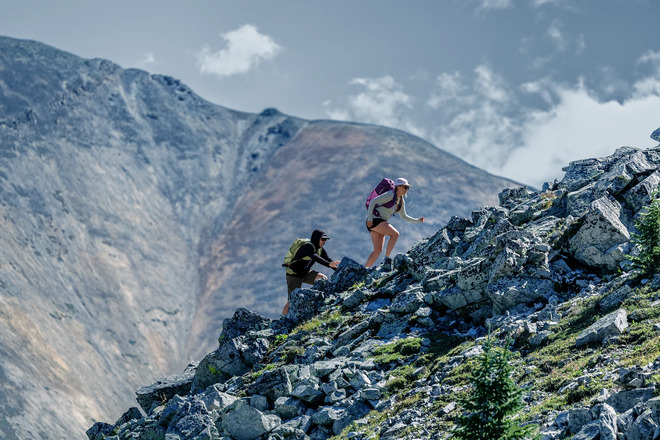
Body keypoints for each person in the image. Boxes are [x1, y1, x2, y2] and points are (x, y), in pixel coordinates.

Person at [365, 178, 425, 268]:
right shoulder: (390, 194)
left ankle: (365, 270)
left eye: (407, 188)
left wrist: (418, 220)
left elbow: (404, 216)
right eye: (405, 187)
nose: (406, 189)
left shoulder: (400, 201)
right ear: (398, 187)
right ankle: (386, 259)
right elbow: (373, 202)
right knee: (395, 234)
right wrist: (370, 219)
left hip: (379, 222)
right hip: (375, 220)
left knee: (378, 250)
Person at [283, 229, 340, 315]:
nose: (324, 241)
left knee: (322, 279)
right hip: (293, 276)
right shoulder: (307, 247)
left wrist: (339, 270)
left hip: (305, 273)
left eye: (325, 240)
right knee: (292, 300)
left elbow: (328, 260)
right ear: (316, 239)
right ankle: (283, 319)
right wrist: (328, 264)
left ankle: (317, 303)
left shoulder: (320, 249)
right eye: (322, 239)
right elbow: (314, 256)